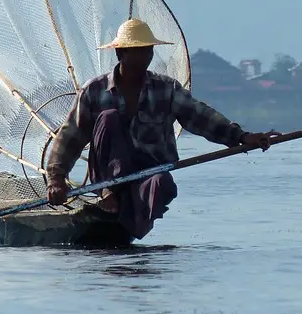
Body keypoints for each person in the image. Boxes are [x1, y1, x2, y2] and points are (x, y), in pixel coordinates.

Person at [45, 18, 278, 239]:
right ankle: (111, 196)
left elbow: (200, 116)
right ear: (120, 54)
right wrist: (56, 179)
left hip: (149, 172)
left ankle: (131, 220)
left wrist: (241, 137)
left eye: (147, 51)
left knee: (163, 185)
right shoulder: (95, 91)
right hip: (108, 178)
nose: (145, 57)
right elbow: (71, 137)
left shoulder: (165, 89)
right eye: (137, 51)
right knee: (109, 118)